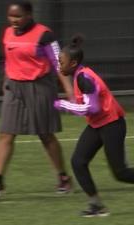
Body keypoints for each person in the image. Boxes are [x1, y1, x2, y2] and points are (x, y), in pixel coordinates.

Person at [0, 0, 74, 200]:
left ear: (29, 15)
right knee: (6, 133)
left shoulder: (44, 34)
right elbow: (9, 59)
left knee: (45, 135)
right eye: (11, 16)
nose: (14, 20)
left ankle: (63, 177)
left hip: (40, 87)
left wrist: (70, 91)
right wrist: (5, 81)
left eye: (18, 16)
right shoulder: (8, 33)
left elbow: (59, 63)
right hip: (14, 88)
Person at [54, 35, 134, 217]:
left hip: (112, 124)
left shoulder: (84, 79)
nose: (59, 66)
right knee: (78, 162)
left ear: (73, 63)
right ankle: (96, 206)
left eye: (61, 62)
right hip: (98, 124)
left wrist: (62, 104)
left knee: (120, 173)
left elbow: (92, 107)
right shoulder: (78, 75)